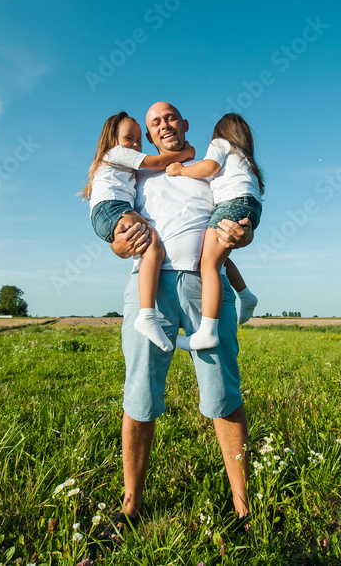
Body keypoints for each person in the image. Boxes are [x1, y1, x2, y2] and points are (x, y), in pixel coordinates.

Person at [90, 102, 253, 554]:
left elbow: (239, 215)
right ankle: (131, 507)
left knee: (223, 393)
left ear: (184, 124)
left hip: (206, 287)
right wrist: (118, 245)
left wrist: (245, 234)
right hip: (150, 287)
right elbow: (116, 231)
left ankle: (244, 509)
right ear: (147, 135)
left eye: (170, 117)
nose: (163, 125)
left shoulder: (212, 166)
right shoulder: (137, 171)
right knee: (140, 393)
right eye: (154, 123)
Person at [80, 112, 194, 351]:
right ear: (112, 140)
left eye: (139, 141)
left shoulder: (125, 167)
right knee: (154, 248)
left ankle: (147, 315)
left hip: (110, 210)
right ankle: (147, 316)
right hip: (112, 207)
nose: (134, 145)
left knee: (152, 248)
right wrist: (185, 154)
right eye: (128, 138)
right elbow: (156, 162)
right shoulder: (116, 153)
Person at [166, 113, 264, 350]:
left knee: (208, 264)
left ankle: (207, 331)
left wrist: (180, 169)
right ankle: (246, 295)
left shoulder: (220, 143)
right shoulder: (245, 160)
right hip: (250, 208)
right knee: (220, 260)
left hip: (231, 204)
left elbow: (209, 166)